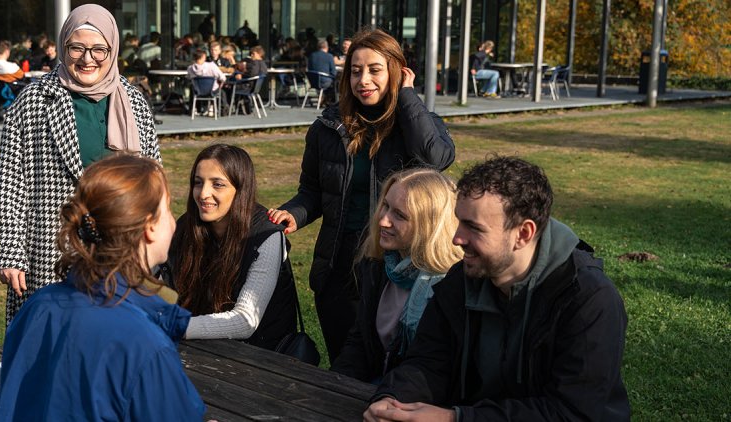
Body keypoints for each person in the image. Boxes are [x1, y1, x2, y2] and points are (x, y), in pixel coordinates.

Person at [363, 156, 630, 421]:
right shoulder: (462, 279)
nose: (457, 238)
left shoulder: (589, 300)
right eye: (459, 221)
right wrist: (391, 401)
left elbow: (572, 413)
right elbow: (427, 363)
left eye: (474, 228)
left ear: (523, 234)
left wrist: (455, 419)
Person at [267, 29, 455, 362]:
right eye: (355, 71)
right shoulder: (327, 128)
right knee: (345, 361)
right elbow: (311, 190)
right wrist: (293, 213)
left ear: (395, 72)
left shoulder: (415, 125)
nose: (363, 79)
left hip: (391, 267)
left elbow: (436, 160)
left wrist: (407, 96)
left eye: (374, 70)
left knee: (386, 363)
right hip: (337, 268)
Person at [0, 154, 205, 420]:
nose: (174, 222)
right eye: (168, 210)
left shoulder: (39, 306)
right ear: (149, 227)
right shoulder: (145, 345)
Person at [0, 4, 161, 325]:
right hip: (49, 244)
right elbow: (10, 182)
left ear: (113, 49)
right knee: (50, 336)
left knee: (110, 336)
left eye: (99, 49)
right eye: (76, 47)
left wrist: (152, 243)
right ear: (63, 45)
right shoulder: (34, 99)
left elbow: (154, 180)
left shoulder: (133, 100)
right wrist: (9, 252)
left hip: (118, 245)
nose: (87, 58)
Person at [330, 168, 461, 383]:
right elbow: (360, 341)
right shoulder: (380, 264)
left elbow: (435, 372)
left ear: (430, 226)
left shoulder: (447, 286)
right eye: (386, 206)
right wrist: (335, 384)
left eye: (399, 215)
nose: (383, 220)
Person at [169, 144, 299, 350]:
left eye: (217, 184)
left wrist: (171, 325)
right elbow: (163, 286)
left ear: (241, 190)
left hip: (262, 357)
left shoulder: (266, 235)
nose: (203, 194)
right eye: (198, 182)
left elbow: (245, 321)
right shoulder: (187, 226)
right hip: (201, 347)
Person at [186, 49, 225, 115]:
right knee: (223, 92)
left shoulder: (190, 68)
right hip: (212, 91)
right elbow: (223, 78)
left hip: (197, 91)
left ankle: (194, 108)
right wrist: (221, 83)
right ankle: (220, 110)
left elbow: (188, 78)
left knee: (191, 87)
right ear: (204, 56)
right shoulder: (211, 66)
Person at [307, 39, 338, 103]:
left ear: (317, 47)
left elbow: (309, 68)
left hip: (313, 81)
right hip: (325, 82)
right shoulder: (329, 56)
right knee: (336, 82)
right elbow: (333, 72)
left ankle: (323, 99)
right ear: (327, 47)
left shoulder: (312, 55)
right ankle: (331, 101)